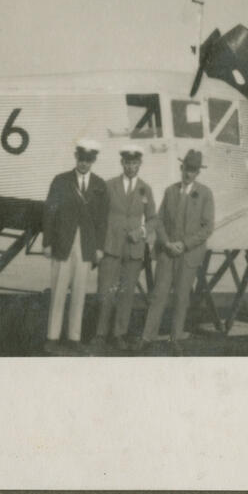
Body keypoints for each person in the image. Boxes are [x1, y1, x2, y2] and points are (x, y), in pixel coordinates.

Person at [134, 149, 214, 356]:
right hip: (167, 253)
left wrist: (184, 244)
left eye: (193, 170)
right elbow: (158, 220)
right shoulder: (170, 191)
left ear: (198, 173)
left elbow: (207, 227)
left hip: (188, 256)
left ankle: (175, 339)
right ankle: (147, 337)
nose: (188, 173)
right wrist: (167, 243)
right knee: (158, 296)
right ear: (181, 168)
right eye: (186, 169)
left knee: (181, 298)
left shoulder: (205, 194)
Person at [42, 139, 108, 354]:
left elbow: (102, 220)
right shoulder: (61, 181)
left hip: (86, 245)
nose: (84, 163)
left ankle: (74, 338)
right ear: (76, 157)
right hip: (62, 243)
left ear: (94, 160)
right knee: (58, 291)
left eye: (88, 160)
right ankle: (52, 337)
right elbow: (49, 213)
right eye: (81, 159)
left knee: (80, 292)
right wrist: (47, 242)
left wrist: (99, 248)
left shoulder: (100, 185)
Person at [92, 144, 158, 352]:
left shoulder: (145, 189)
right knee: (105, 291)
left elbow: (153, 219)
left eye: (134, 163)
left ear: (140, 164)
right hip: (111, 247)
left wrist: (141, 232)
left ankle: (119, 334)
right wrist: (98, 245)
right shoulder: (109, 186)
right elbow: (98, 216)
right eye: (127, 163)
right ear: (122, 163)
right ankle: (100, 334)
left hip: (133, 249)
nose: (130, 167)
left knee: (126, 294)